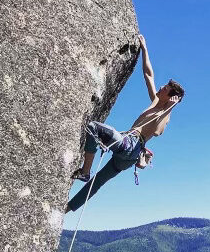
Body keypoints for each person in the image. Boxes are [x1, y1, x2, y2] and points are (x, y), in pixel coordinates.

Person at [65, 34, 185, 213]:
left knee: (93, 128)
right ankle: (66, 209)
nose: (161, 87)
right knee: (97, 183)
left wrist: (170, 108)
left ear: (170, 97)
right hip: (128, 154)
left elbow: (158, 131)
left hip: (131, 145)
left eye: (165, 88)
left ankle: (85, 171)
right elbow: (148, 75)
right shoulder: (155, 101)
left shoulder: (165, 115)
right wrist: (145, 49)